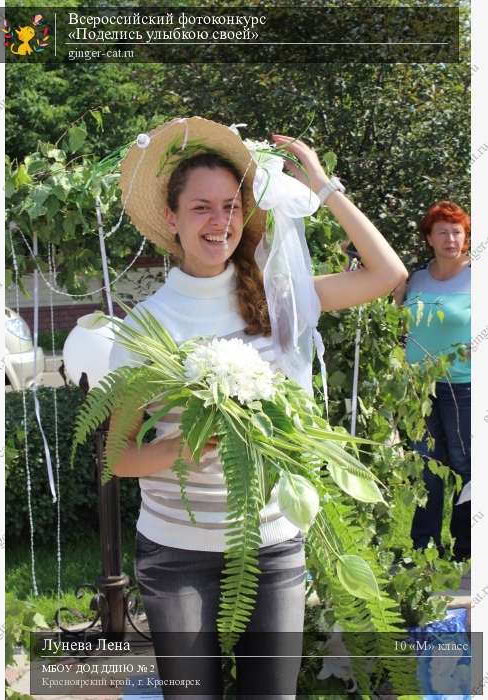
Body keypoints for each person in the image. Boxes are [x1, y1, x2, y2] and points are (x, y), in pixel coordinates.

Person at [107, 116, 407, 698]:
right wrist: (182, 447)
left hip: (271, 546)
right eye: (200, 208)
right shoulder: (146, 327)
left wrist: (322, 186)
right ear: (171, 219)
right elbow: (117, 457)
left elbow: (387, 274)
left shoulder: (279, 297)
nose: (219, 222)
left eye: (229, 206)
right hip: (177, 555)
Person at [394, 201, 471, 561]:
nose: (451, 238)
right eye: (442, 231)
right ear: (429, 237)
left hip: (464, 387)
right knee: (426, 467)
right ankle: (423, 545)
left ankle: (465, 546)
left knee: (464, 466)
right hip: (418, 388)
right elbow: (399, 320)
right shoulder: (417, 278)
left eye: (457, 231)